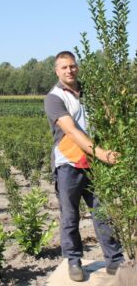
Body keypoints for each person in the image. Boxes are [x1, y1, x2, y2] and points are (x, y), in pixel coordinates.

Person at [44, 51, 124, 282]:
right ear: (57, 71)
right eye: (64, 67)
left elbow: (107, 114)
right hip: (69, 163)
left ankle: (114, 260)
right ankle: (74, 261)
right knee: (70, 215)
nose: (69, 70)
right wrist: (102, 154)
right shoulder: (54, 97)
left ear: (77, 67)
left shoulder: (90, 90)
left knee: (103, 212)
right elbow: (72, 131)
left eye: (72, 66)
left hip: (93, 164)